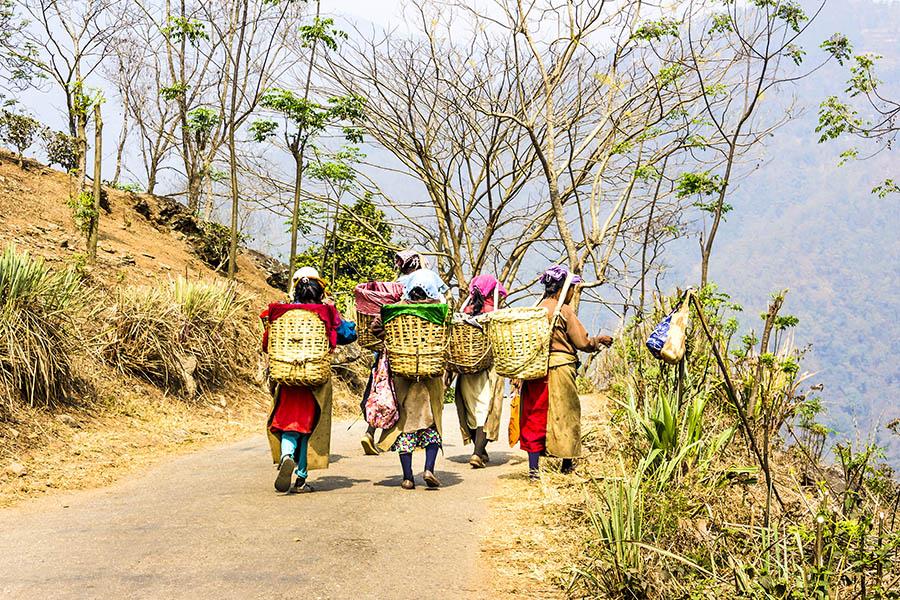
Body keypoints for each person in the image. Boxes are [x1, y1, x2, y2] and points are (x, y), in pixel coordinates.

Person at [518, 265, 613, 479]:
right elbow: (581, 342)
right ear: (563, 290)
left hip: (535, 372)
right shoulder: (564, 311)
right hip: (560, 370)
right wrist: (597, 341)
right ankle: (566, 465)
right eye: (572, 289)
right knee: (567, 414)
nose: (573, 293)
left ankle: (534, 471)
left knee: (535, 415)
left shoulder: (536, 309)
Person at [261, 267, 343, 493]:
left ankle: (287, 455)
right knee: (308, 428)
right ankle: (301, 477)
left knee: (289, 424)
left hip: (287, 378)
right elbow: (345, 334)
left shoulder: (282, 313)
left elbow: (266, 344)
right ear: (319, 290)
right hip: (314, 381)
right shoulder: (326, 312)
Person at [359, 249, 444, 455]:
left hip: (395, 358)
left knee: (382, 392)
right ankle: (423, 445)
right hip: (427, 361)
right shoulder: (437, 303)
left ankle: (371, 431)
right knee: (426, 406)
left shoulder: (398, 293)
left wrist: (390, 340)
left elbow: (378, 325)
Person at [370, 268, 448, 490]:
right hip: (430, 379)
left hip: (403, 379)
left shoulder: (395, 310)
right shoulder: (439, 311)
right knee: (432, 425)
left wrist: (391, 337)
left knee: (406, 427)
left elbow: (375, 327)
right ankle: (429, 469)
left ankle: (407, 477)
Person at [453, 274, 507, 468]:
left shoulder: (465, 311)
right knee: (485, 410)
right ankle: (477, 453)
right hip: (487, 370)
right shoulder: (493, 312)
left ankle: (480, 450)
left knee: (472, 410)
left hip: (466, 370)